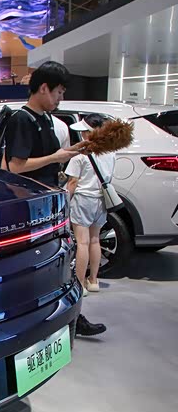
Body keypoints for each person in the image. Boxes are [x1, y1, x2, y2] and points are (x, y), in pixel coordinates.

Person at [2, 61, 106, 337]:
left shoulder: (47, 120)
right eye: (58, 92)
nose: (60, 98)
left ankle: (69, 316)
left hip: (49, 204)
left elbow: (48, 160)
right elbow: (15, 167)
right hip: (31, 206)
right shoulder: (22, 120)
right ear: (44, 88)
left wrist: (70, 152)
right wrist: (55, 157)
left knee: (61, 262)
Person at [65, 114, 114, 295]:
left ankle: (80, 284)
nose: (82, 134)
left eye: (85, 131)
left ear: (90, 132)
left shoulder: (80, 156)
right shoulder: (111, 153)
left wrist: (65, 203)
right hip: (101, 200)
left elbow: (72, 183)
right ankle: (93, 280)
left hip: (83, 200)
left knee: (82, 243)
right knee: (95, 240)